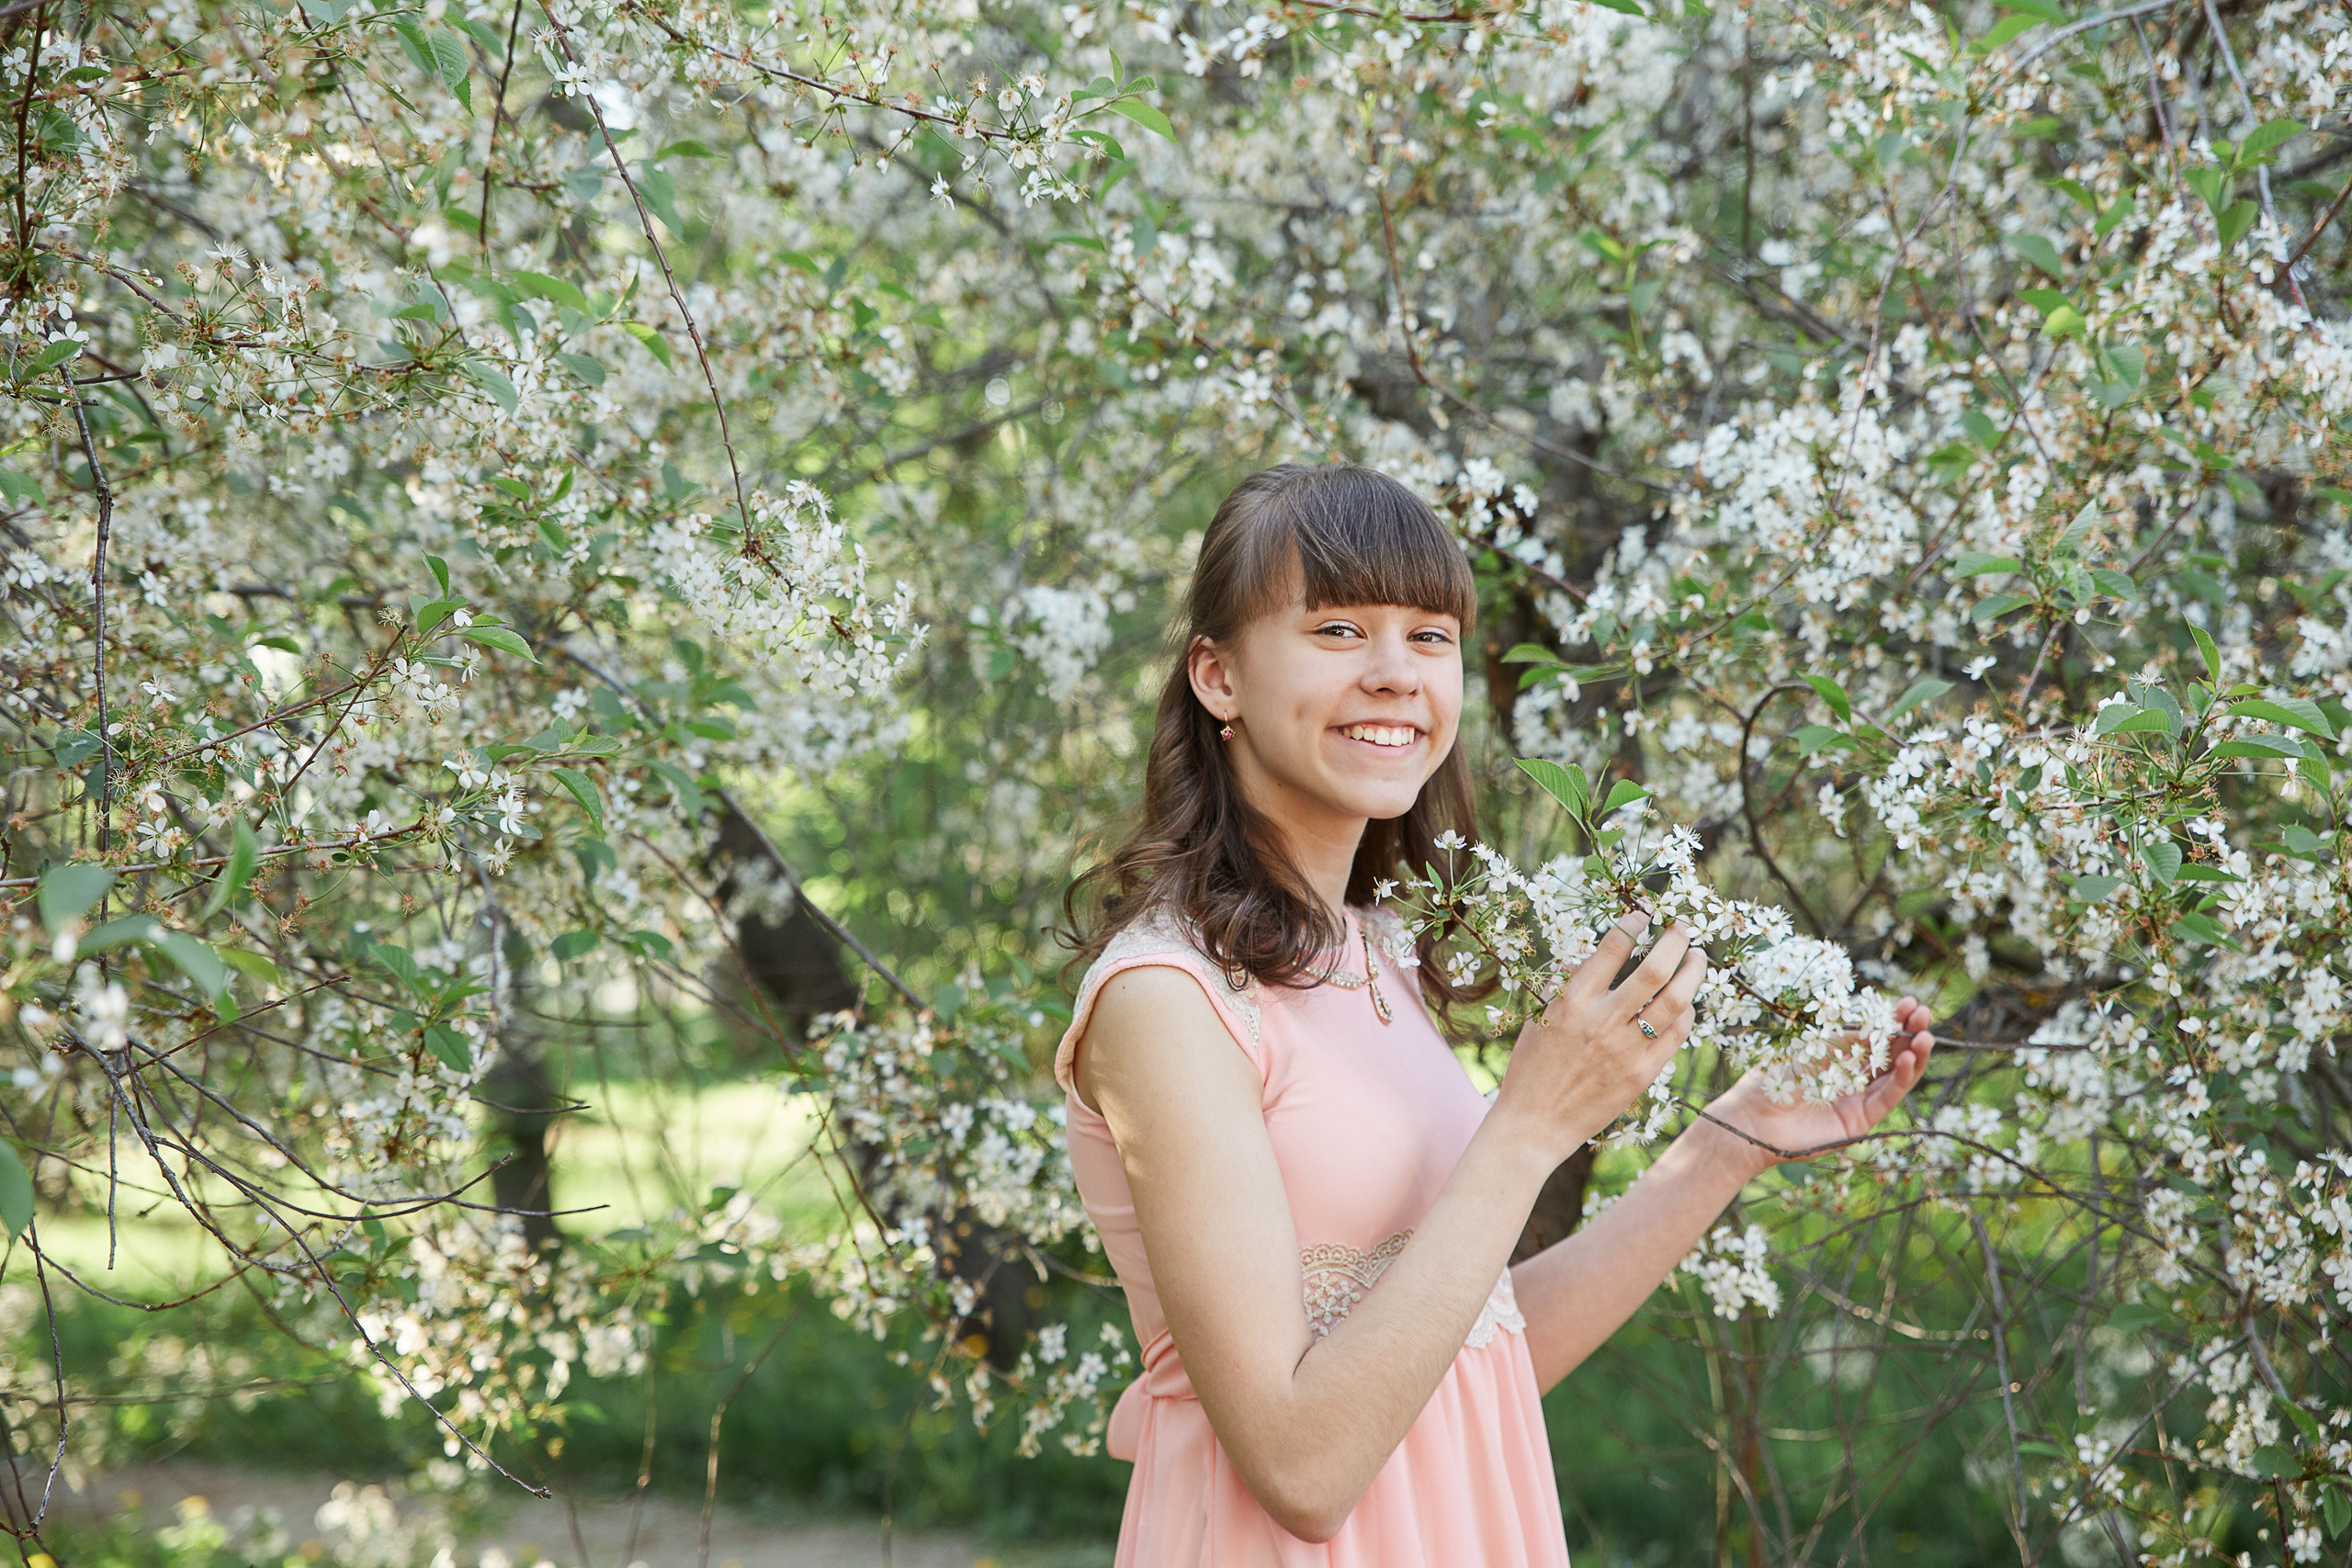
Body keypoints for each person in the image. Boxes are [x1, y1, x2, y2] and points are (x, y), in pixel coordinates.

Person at [1056, 462, 1936, 1564]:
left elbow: (1472, 1348)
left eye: (1430, 636)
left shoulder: (1374, 953)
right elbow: (1301, 1469)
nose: (1394, 676)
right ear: (1217, 675)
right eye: (1336, 630)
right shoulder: (1167, 1001)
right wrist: (1525, 1127)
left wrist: (1720, 1150)